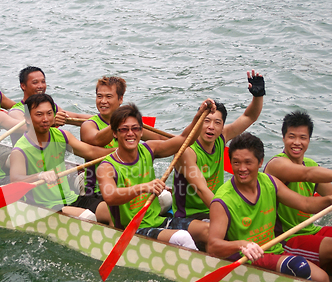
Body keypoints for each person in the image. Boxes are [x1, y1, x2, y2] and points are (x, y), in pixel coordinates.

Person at [208, 132, 330, 282]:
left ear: (260, 162)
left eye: (248, 162)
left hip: (274, 249)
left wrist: (330, 199)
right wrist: (241, 244)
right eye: (236, 162)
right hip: (247, 257)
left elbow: (306, 204)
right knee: (299, 266)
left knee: (323, 278)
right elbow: (213, 246)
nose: (242, 169)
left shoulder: (269, 182)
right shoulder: (222, 201)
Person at [96, 102, 211, 249]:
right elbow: (110, 197)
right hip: (133, 230)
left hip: (157, 220)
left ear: (141, 131)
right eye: (124, 129)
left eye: (135, 128)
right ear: (114, 133)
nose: (130, 133)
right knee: (182, 238)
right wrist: (143, 187)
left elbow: (184, 139)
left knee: (208, 230)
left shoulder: (148, 149)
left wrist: (199, 117)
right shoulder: (106, 167)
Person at [170, 70, 265, 246]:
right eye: (206, 121)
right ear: (199, 122)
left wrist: (258, 96)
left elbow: (249, 116)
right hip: (189, 217)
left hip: (214, 209)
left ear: (222, 127)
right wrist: (228, 216)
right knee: (214, 231)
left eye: (217, 122)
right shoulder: (187, 152)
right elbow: (202, 189)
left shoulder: (222, 138)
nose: (211, 127)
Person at [10, 93, 112, 224]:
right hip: (46, 206)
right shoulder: (20, 150)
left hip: (71, 198)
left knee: (112, 212)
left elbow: (92, 152)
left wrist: (123, 151)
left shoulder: (62, 136)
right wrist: (40, 175)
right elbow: (15, 180)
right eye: (39, 114)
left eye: (49, 113)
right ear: (28, 118)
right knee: (88, 217)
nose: (45, 119)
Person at [264, 111, 332, 271]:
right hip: (285, 238)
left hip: (310, 230)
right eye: (291, 136)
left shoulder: (310, 163)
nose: (297, 143)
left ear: (309, 140)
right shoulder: (277, 165)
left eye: (303, 138)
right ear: (283, 138)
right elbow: (306, 174)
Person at [80, 76, 168, 197]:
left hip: (128, 187)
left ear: (120, 99)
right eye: (99, 96)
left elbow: (160, 140)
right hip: (97, 192)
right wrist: (119, 122)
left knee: (166, 197)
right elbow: (97, 140)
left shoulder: (129, 122)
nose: (103, 101)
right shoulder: (89, 125)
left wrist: (189, 139)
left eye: (108, 96)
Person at [8, 66, 91, 142]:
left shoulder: (49, 106)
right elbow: (27, 129)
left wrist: (101, 119)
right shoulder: (16, 111)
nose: (40, 86)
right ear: (23, 86)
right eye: (35, 82)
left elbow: (76, 117)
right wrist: (51, 122)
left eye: (43, 82)